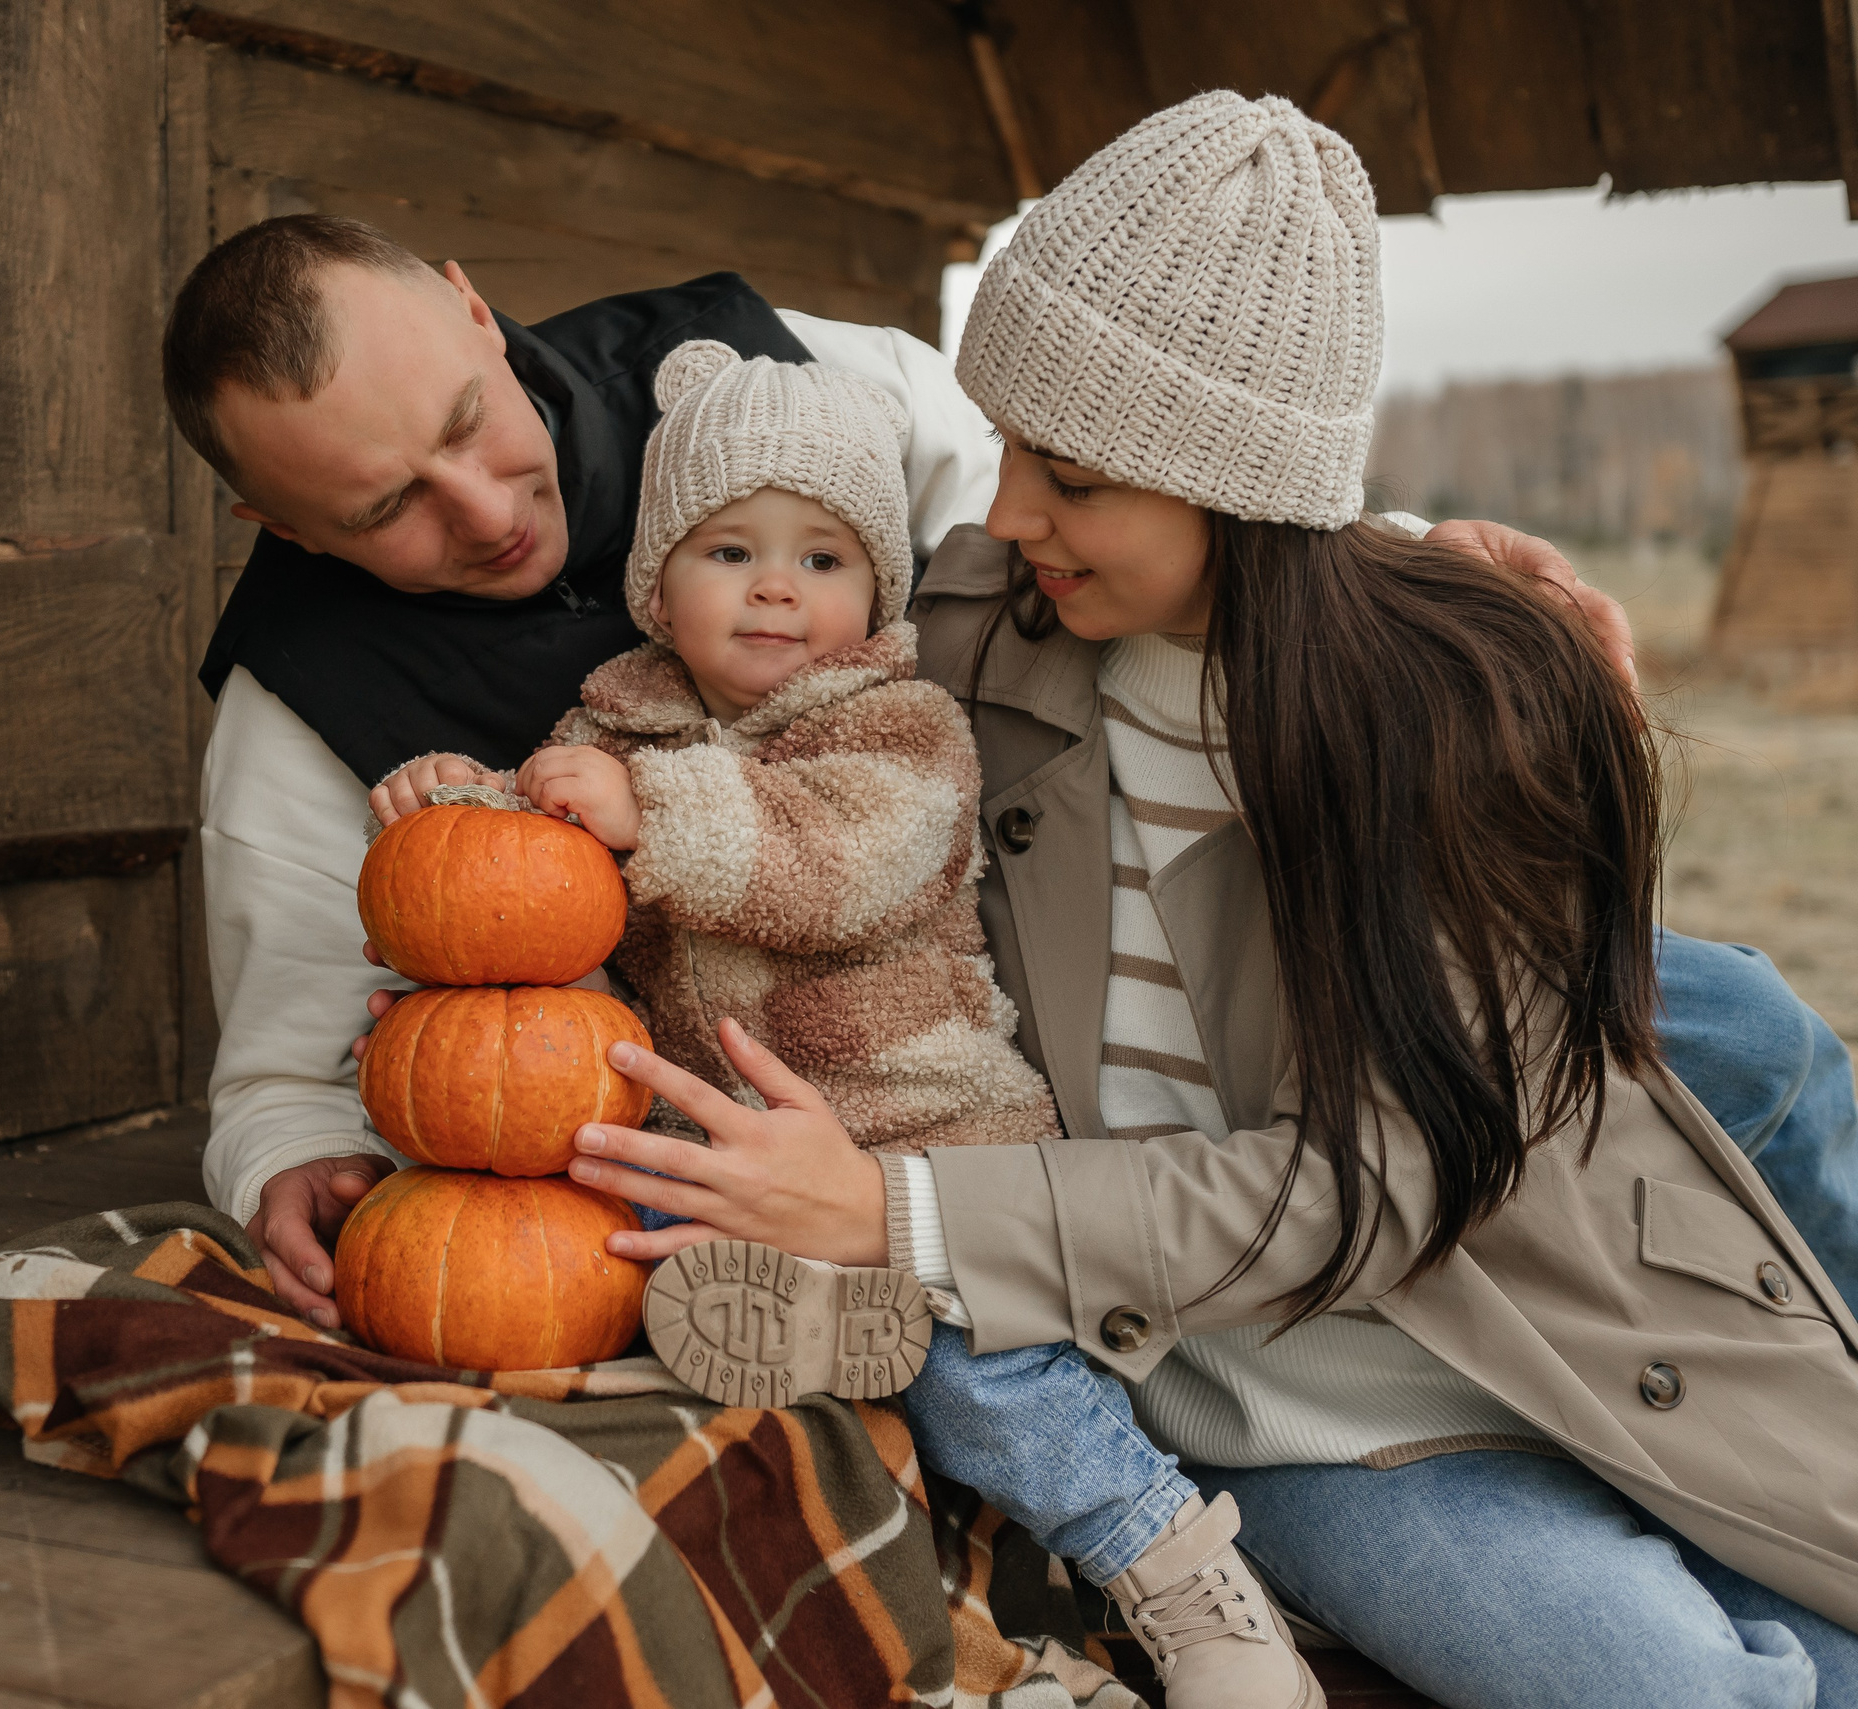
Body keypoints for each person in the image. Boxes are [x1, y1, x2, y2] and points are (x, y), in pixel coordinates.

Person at [564, 93, 1858, 1709]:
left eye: (1074, 473)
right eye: (1011, 446)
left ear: (1232, 481)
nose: (1008, 509)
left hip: (1559, 1330)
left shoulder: (1444, 710)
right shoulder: (967, 641)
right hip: (1303, 1416)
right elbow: (721, 515)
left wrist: (894, 1213)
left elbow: (1374, 1190)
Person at [164, 214, 1858, 1340]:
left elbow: (1135, 523)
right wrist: (292, 1157)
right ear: (281, 525)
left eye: (472, 419)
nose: (481, 510)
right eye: (387, 508)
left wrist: (1392, 559)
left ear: (475, 303)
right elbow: (285, 1056)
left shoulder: (799, 369)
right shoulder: (296, 707)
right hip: (833, 1114)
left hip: (1121, 922)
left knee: (1731, 1029)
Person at [376, 336, 1318, 1707]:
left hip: (921, 1145)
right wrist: (467, 805)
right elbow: (536, 889)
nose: (775, 586)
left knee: (976, 1365)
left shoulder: (900, 725)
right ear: (656, 579)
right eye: (728, 551)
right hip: (740, 1165)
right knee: (610, 1258)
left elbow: (842, 865)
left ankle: (1165, 1552)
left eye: (821, 557)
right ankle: (809, 1338)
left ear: (874, 585)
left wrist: (655, 813)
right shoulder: (615, 726)